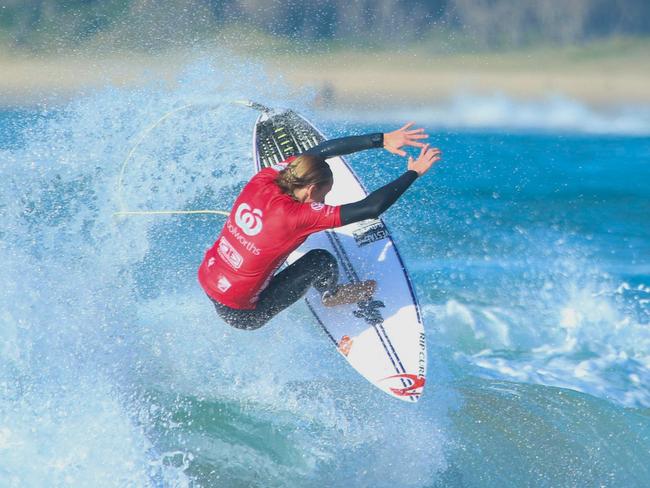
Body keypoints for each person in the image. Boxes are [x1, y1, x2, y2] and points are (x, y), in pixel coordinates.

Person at [198, 122, 442, 330]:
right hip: (243, 314)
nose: (323, 203)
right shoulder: (298, 217)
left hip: (209, 279)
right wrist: (413, 173)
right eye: (323, 196)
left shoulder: (264, 179)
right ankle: (332, 294)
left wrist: (382, 139)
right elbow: (371, 208)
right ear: (312, 189)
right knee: (320, 260)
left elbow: (315, 154)